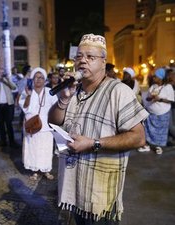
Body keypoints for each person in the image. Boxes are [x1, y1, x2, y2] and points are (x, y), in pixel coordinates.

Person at [48, 34, 149, 224]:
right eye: (79, 56)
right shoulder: (73, 90)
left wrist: (93, 143)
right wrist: (63, 99)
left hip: (99, 198)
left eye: (90, 57)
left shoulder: (118, 92)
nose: (82, 61)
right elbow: (53, 121)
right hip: (71, 190)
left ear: (103, 62)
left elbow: (139, 137)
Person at [19, 67, 57, 180]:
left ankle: (46, 170)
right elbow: (24, 107)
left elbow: (56, 107)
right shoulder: (27, 91)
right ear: (33, 79)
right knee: (33, 148)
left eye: (41, 78)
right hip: (31, 125)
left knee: (46, 148)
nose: (38, 80)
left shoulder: (50, 92)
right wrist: (29, 95)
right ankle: (34, 170)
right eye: (36, 77)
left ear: (45, 80)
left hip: (46, 126)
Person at [138, 68, 174, 154]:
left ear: (161, 78)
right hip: (151, 113)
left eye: (156, 77)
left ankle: (158, 147)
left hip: (162, 113)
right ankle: (146, 145)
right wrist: (150, 98)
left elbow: (171, 100)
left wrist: (160, 99)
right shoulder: (154, 86)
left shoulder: (168, 87)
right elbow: (147, 97)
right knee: (148, 129)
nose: (154, 78)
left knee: (159, 132)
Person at [0, 69, 18, 149]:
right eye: (0, 73)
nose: (1, 74)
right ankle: (3, 141)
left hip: (8, 105)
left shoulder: (7, 80)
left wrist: (7, 80)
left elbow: (14, 87)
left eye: (2, 73)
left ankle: (12, 141)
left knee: (9, 124)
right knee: (1, 124)